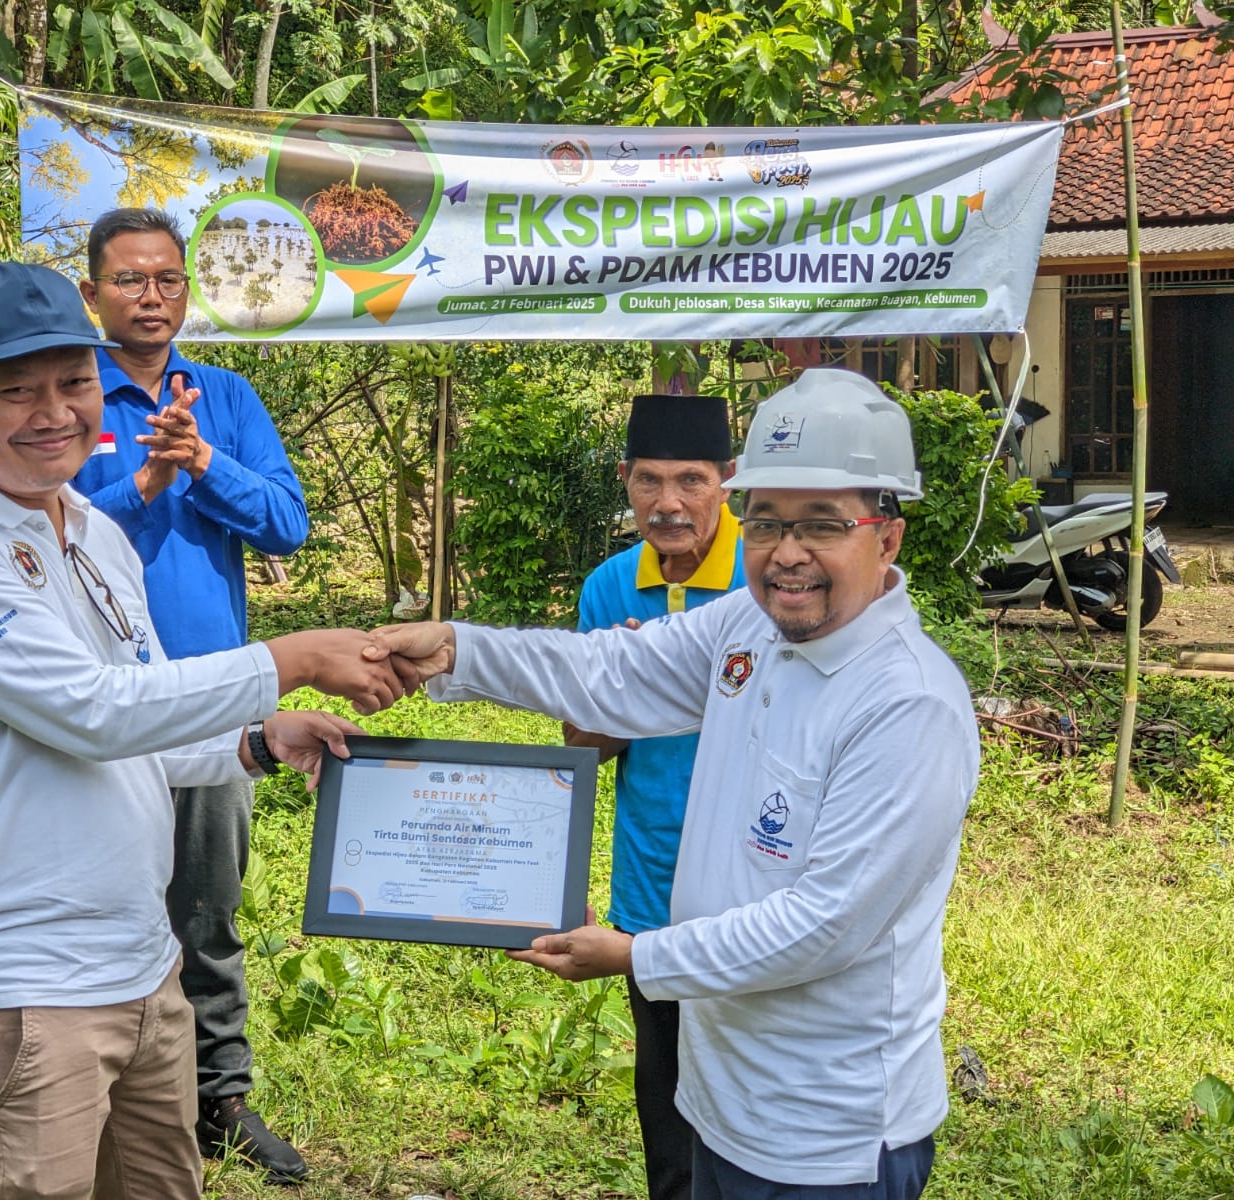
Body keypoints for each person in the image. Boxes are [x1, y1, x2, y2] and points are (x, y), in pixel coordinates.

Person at [0, 261, 411, 1200]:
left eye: (73, 381)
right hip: (21, 987)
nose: (53, 411)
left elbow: (140, 709)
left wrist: (256, 740)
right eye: (14, 389)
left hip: (140, 961)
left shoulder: (93, 529)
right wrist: (290, 658)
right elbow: (88, 709)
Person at [368, 368, 979, 1200]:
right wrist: (453, 650)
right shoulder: (749, 626)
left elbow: (823, 926)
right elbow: (610, 669)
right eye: (765, 522)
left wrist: (634, 955)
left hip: (826, 1126)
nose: (787, 552)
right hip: (722, 1086)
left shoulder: (907, 703)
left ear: (887, 537)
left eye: (821, 525)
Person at [72, 206, 311, 1181]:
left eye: (168, 279)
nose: (152, 296)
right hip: (92, 706)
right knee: (95, 902)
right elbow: (38, 534)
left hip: (216, 701)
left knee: (207, 910)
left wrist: (201, 463)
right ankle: (99, 1108)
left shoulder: (225, 395)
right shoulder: (64, 398)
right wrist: (142, 483)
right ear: (92, 293)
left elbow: (287, 523)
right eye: (130, 280)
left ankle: (220, 1100)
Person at [565, 393, 745, 1200]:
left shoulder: (768, 577)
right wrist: (621, 693)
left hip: (752, 878)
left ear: (728, 482)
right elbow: (585, 746)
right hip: (651, 875)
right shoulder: (609, 588)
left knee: (751, 1080)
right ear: (625, 481)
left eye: (691, 481)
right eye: (648, 481)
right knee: (665, 1086)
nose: (667, 504)